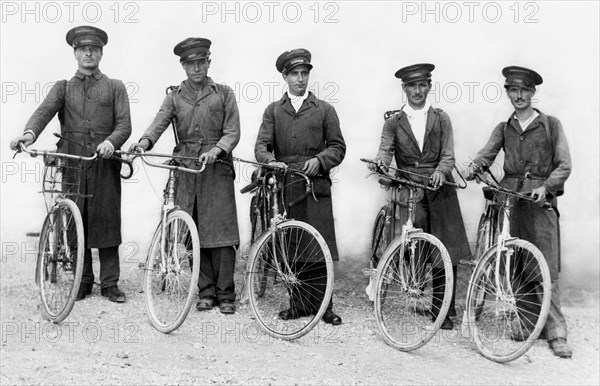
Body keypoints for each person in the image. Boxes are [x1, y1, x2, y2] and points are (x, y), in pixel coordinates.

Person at [9, 26, 131, 303]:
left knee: (107, 220)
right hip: (73, 163)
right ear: (75, 53)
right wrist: (28, 134)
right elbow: (43, 113)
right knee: (74, 221)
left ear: (101, 53)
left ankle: (110, 283)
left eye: (94, 49)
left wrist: (111, 142)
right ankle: (83, 280)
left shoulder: (115, 87)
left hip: (105, 162)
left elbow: (124, 124)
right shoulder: (63, 87)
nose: (89, 53)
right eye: (83, 49)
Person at [467, 66, 572, 358]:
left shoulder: (551, 125)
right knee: (518, 262)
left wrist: (546, 186)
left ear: (533, 92)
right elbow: (486, 154)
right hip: (510, 200)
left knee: (545, 265)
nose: (519, 95)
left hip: (540, 203)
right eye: (513, 90)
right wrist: (474, 167)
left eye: (524, 90)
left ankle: (556, 331)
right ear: (508, 93)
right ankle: (528, 323)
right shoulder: (504, 128)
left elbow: (564, 164)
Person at [130, 38, 240, 315]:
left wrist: (217, 150)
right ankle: (205, 290)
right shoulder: (175, 96)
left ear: (208, 62)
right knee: (194, 230)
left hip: (217, 169)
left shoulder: (224, 93)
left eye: (201, 62)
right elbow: (159, 122)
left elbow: (232, 131)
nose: (197, 68)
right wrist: (144, 142)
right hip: (187, 170)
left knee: (223, 233)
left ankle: (226, 294)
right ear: (183, 66)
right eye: (191, 64)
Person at [368, 63, 470, 330]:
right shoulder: (394, 122)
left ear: (429, 87)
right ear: (404, 89)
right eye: (411, 86)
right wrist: (380, 163)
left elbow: (448, 154)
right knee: (414, 244)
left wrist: (441, 170)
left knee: (445, 247)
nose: (417, 90)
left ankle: (444, 310)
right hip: (410, 186)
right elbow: (385, 151)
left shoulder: (441, 118)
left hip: (440, 188)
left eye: (422, 85)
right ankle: (411, 287)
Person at [254, 48, 346, 325]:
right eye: (294, 74)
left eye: (304, 73)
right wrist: (271, 161)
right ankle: (298, 304)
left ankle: (324, 306)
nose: (300, 79)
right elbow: (261, 146)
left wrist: (320, 160)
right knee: (292, 245)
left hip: (315, 186)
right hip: (286, 185)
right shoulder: (273, 111)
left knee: (319, 246)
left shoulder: (324, 110)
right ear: (284, 76)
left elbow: (339, 147)